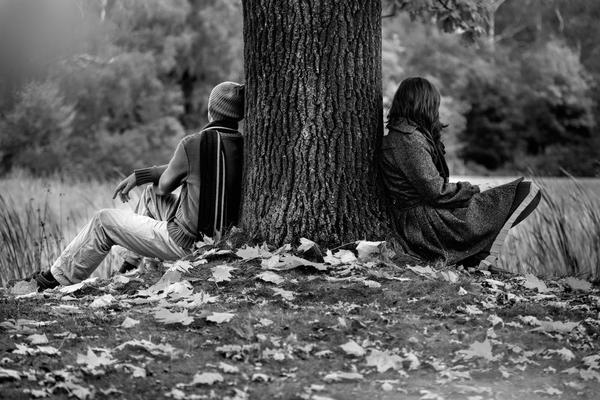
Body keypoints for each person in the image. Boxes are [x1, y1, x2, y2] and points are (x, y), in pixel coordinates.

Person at [30, 81, 245, 290]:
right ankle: (128, 267)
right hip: (224, 241)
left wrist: (170, 175)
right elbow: (172, 179)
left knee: (103, 221)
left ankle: (55, 280)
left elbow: (165, 186)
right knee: (151, 194)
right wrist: (143, 176)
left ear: (210, 111)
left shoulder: (193, 143)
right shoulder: (244, 144)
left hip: (187, 243)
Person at [380, 77, 541, 270]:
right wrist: (474, 189)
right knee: (522, 192)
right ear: (424, 104)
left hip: (429, 216)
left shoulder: (408, 136)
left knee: (518, 192)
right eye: (434, 105)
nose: (436, 111)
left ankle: (475, 256)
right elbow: (435, 191)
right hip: (425, 225)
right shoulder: (408, 140)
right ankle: (477, 257)